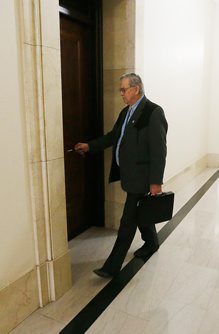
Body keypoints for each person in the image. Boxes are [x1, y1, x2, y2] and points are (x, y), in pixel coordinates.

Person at [74, 73, 168, 278]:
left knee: (127, 221)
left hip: (141, 178)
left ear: (136, 89)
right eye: (121, 90)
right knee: (141, 213)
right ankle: (152, 243)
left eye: (123, 89)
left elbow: (159, 150)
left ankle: (112, 266)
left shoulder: (152, 112)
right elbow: (113, 137)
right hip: (129, 175)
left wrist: (155, 182)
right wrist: (90, 146)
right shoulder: (126, 112)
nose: (121, 94)